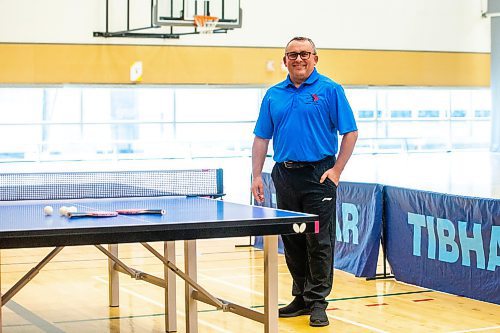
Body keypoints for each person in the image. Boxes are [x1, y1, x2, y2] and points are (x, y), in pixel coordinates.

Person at [251, 36, 358, 327]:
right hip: (284, 175)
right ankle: (300, 297)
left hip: (318, 176)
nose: (299, 59)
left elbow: (350, 132)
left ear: (315, 58)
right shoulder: (274, 94)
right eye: (293, 55)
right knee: (293, 239)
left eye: (305, 54)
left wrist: (336, 171)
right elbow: (262, 137)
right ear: (285, 60)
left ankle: (318, 302)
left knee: (319, 242)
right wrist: (256, 175)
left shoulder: (331, 90)